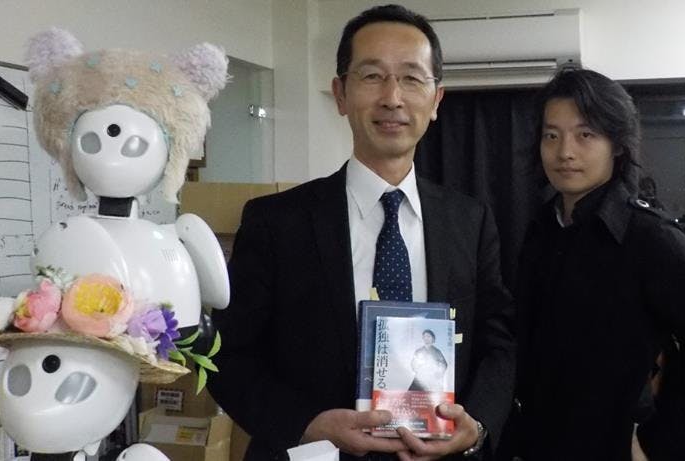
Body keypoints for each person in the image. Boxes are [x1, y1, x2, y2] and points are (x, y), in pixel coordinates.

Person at [208, 5, 515, 461]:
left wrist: (478, 425)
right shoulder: (276, 222)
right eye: (372, 76)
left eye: (411, 78)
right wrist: (308, 424)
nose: (392, 97)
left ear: (436, 100)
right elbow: (227, 356)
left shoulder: (470, 221)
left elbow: (498, 343)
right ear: (340, 93)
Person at [512, 68, 685, 460]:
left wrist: (660, 441)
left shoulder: (648, 237)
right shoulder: (541, 230)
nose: (565, 152)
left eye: (585, 135)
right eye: (551, 135)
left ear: (617, 145)